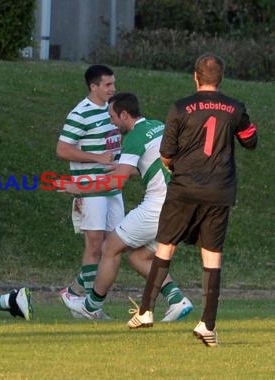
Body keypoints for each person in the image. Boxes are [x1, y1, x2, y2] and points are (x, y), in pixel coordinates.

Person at [127, 53, 258, 347]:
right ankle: (207, 324)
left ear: (195, 77)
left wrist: (175, 167)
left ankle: (146, 311)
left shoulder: (180, 107)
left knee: (166, 247)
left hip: (184, 188)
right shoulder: (235, 107)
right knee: (212, 256)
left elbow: (166, 155)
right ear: (220, 78)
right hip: (219, 190)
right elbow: (251, 140)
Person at [62, 93, 192, 321]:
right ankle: (176, 299)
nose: (111, 121)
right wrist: (121, 167)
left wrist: (81, 187)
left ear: (124, 115)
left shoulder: (133, 137)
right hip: (182, 205)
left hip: (159, 205)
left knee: (109, 248)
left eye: (112, 116)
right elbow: (145, 165)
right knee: (139, 257)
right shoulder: (157, 126)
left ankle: (91, 306)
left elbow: (117, 182)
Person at [56, 64, 124, 315]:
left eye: (113, 84)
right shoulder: (80, 113)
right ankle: (88, 306)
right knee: (95, 245)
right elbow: (62, 149)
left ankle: (75, 294)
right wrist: (97, 159)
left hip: (113, 186)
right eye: (107, 85)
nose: (113, 89)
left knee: (115, 245)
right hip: (90, 186)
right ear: (93, 87)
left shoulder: (113, 109)